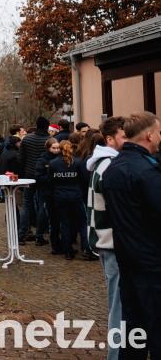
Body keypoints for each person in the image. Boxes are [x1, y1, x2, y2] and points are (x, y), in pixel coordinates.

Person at [102, 112, 161, 359]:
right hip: (152, 262)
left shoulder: (113, 168)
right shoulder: (145, 171)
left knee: (133, 332)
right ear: (149, 135)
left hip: (127, 258)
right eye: (158, 132)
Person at [86, 116, 125, 360]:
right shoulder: (109, 167)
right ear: (110, 139)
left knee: (118, 305)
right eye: (124, 136)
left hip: (106, 241)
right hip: (112, 243)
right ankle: (116, 354)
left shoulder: (103, 164)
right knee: (118, 307)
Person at [48, 140, 88, 260]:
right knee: (82, 223)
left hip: (60, 196)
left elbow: (51, 181)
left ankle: (68, 251)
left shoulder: (53, 163)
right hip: (76, 196)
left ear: (60, 149)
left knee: (65, 224)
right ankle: (86, 248)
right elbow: (84, 180)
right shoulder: (78, 162)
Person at [18, 116, 51, 243]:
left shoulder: (27, 139)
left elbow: (20, 159)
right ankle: (39, 236)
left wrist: (25, 170)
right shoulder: (49, 140)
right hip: (44, 176)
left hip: (29, 174)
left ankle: (22, 235)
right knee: (42, 204)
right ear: (47, 127)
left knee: (26, 204)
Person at [34, 138, 59, 248]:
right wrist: (52, 178)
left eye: (58, 148)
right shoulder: (42, 160)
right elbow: (39, 176)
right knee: (43, 212)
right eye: (54, 148)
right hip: (46, 190)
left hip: (57, 190)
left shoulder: (60, 157)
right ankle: (39, 236)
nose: (57, 150)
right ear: (48, 148)